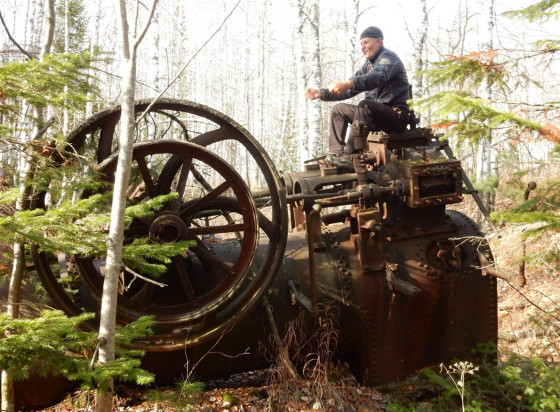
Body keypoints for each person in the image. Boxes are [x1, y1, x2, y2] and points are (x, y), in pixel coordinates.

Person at [305, 26, 410, 155]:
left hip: (395, 116)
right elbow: (350, 90)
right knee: (339, 109)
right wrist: (321, 93)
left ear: (379, 42)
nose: (362, 47)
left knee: (364, 105)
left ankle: (348, 154)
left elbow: (376, 77)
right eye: (361, 43)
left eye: (366, 42)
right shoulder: (367, 65)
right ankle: (336, 153)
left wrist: (348, 83)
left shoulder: (388, 58)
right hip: (373, 116)